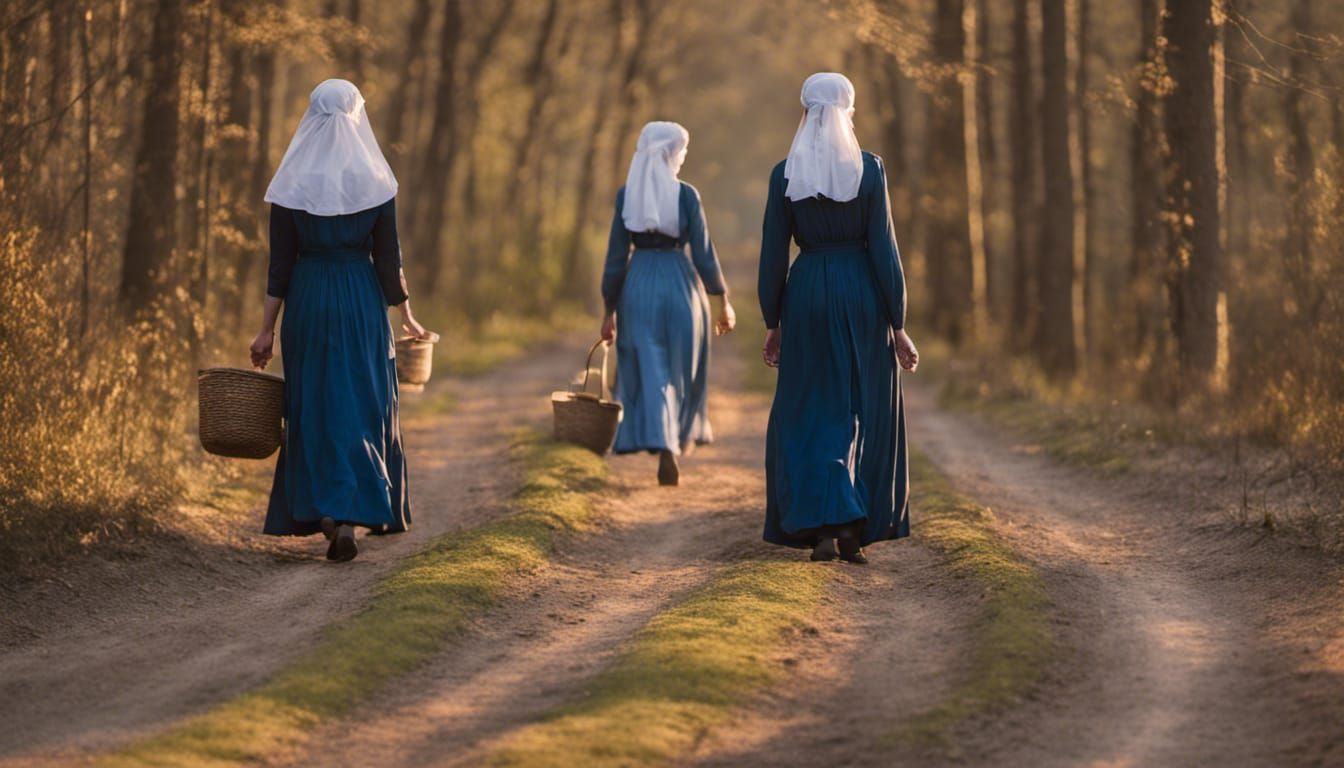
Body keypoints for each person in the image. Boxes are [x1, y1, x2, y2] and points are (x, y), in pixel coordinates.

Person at [249, 78, 430, 562]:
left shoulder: (290, 183)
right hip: (359, 301)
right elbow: (388, 262)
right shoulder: (375, 180)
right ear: (356, 116)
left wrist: (266, 329)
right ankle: (350, 512)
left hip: (308, 301)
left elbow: (279, 267)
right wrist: (407, 314)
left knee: (315, 404)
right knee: (361, 402)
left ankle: (323, 507)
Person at [758, 73, 920, 564]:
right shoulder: (870, 171)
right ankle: (853, 524)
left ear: (806, 112)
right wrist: (897, 321)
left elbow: (772, 254)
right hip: (862, 296)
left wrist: (773, 319)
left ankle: (822, 525)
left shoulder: (784, 173)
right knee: (859, 406)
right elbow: (885, 250)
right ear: (848, 111)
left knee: (809, 409)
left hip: (806, 295)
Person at [601, 121, 736, 486]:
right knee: (681, 367)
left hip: (638, 284)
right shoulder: (687, 196)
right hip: (681, 285)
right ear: (674, 153)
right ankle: (673, 439)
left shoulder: (627, 196)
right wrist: (721, 298)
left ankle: (661, 440)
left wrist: (608, 309)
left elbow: (615, 257)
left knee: (650, 366)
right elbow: (704, 253)